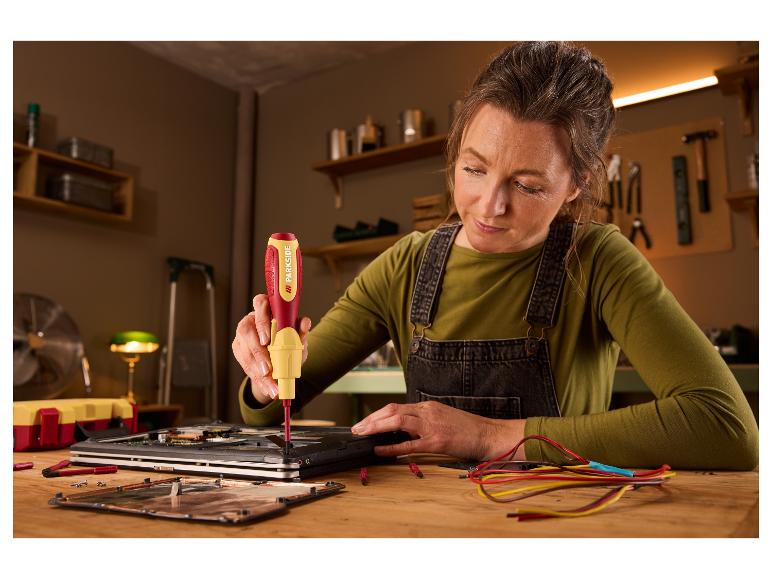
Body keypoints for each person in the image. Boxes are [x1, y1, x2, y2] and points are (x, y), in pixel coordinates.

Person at [232, 41, 758, 469]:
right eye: (474, 169)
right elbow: (272, 411)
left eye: (527, 185)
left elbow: (726, 427)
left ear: (576, 184)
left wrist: (487, 436)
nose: (489, 206)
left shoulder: (598, 260)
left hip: (550, 522)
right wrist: (264, 380)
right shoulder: (404, 266)